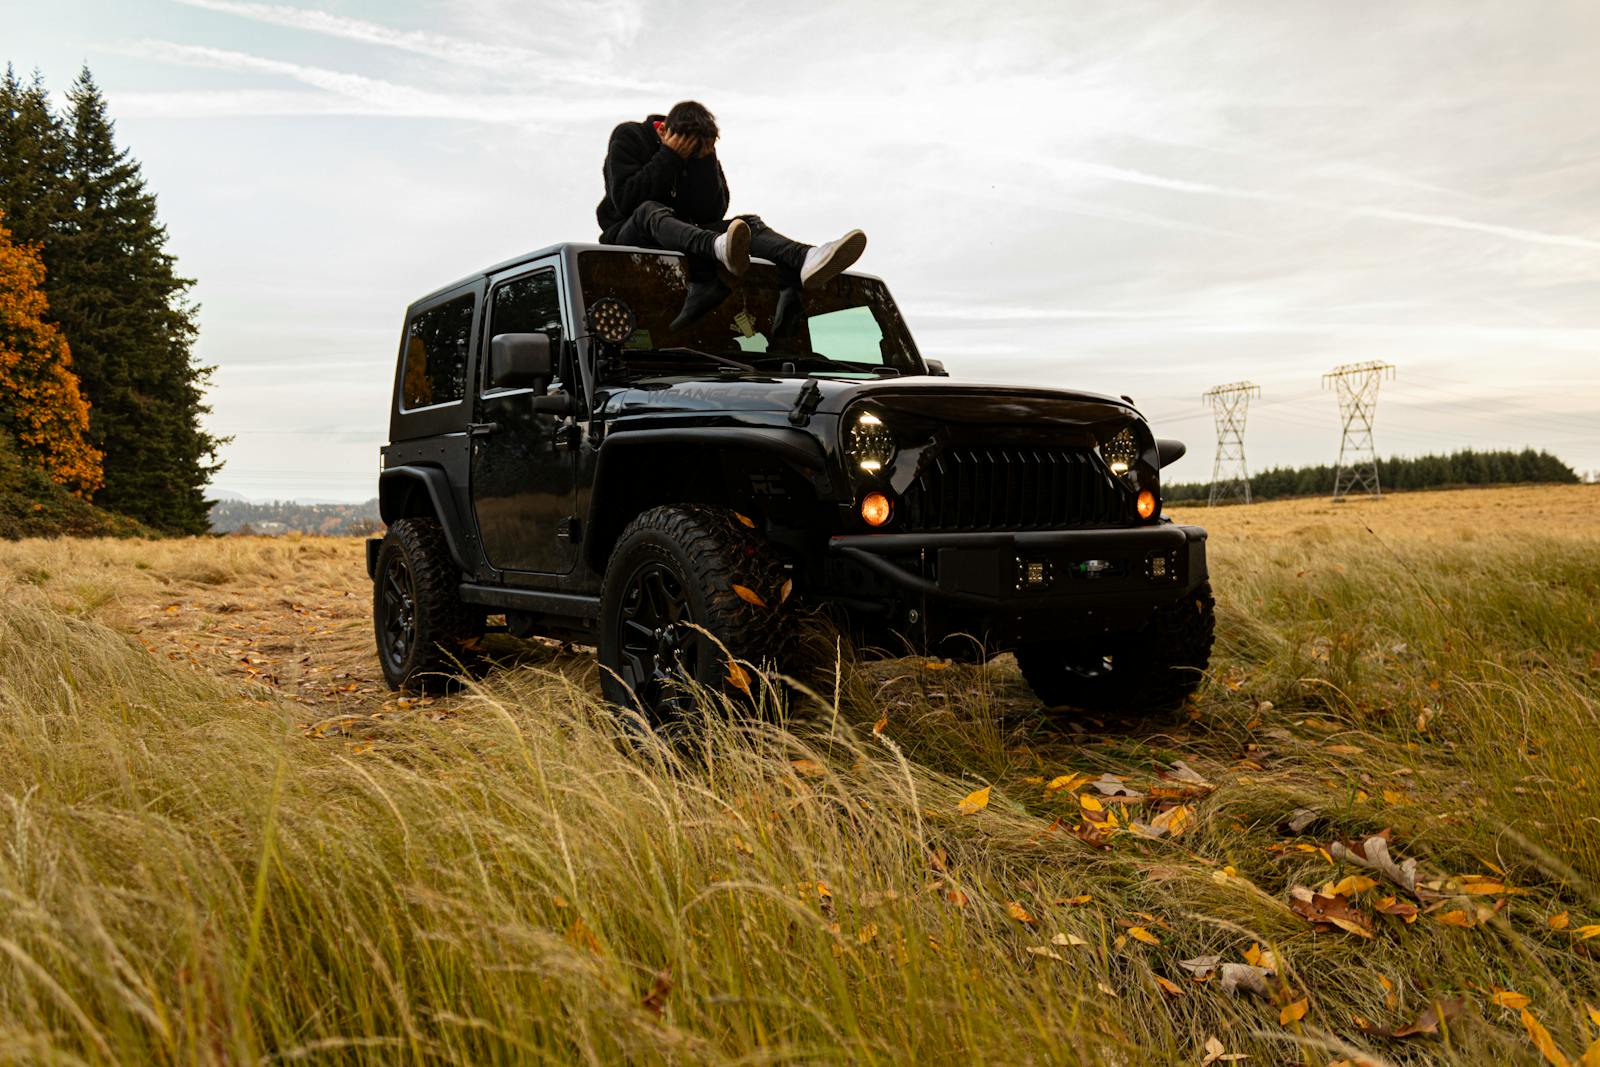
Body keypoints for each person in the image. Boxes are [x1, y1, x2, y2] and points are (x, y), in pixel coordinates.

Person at [596, 100, 867, 332]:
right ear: (664, 130)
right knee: (648, 210)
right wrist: (670, 156)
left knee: (745, 224)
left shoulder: (701, 151)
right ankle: (716, 247)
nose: (691, 154)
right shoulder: (630, 136)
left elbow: (712, 212)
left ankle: (805, 257)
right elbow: (625, 201)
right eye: (687, 149)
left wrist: (703, 161)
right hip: (629, 236)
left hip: (684, 235)